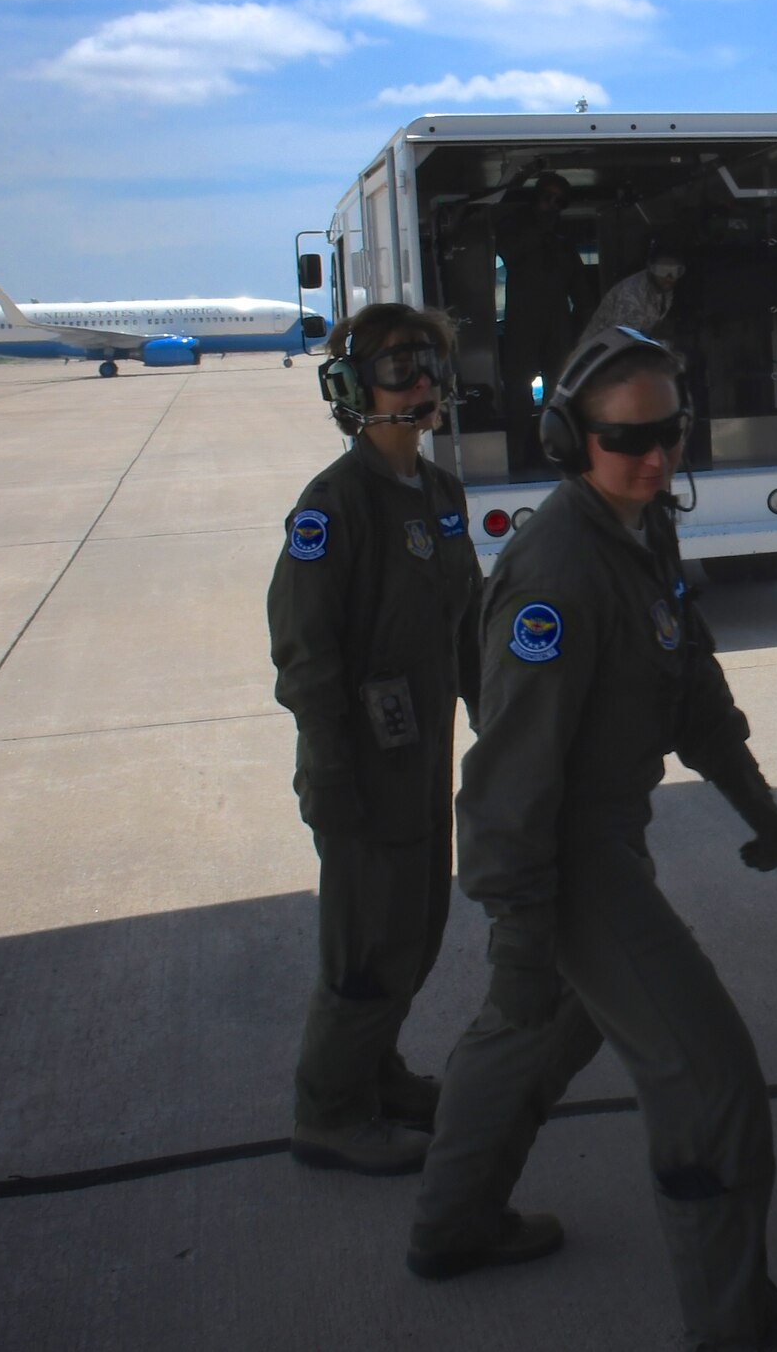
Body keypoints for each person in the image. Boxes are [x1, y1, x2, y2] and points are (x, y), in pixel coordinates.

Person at [410, 327, 777, 1352]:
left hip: (608, 835)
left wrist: (753, 799)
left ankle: (452, 1222)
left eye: (671, 431)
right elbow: (509, 772)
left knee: (534, 1030)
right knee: (711, 1085)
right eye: (629, 439)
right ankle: (734, 1328)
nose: (658, 456)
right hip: (567, 856)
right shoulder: (555, 574)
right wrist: (519, 919)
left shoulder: (643, 527)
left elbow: (691, 682)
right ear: (567, 439)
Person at [267, 303, 484, 1175]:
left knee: (419, 926)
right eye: (399, 365)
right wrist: (329, 776)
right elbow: (305, 658)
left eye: (429, 362)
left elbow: (464, 624)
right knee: (365, 944)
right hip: (357, 764)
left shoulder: (441, 494)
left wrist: (498, 722)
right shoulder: (333, 506)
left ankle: (378, 1070)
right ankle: (328, 1111)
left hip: (422, 753)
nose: (421, 381)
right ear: (354, 388)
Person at [499, 172, 596, 478]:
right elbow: (508, 253)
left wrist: (591, 332)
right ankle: (516, 458)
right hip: (522, 325)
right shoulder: (518, 233)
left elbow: (582, 293)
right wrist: (539, 230)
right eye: (547, 199)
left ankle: (554, 456)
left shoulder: (564, 246)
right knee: (517, 396)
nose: (552, 206)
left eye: (559, 202)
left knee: (560, 394)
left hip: (558, 327)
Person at [582, 241, 685, 340]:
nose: (669, 277)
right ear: (650, 268)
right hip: (599, 352)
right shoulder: (630, 296)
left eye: (676, 271)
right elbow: (622, 341)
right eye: (662, 270)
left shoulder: (663, 289)